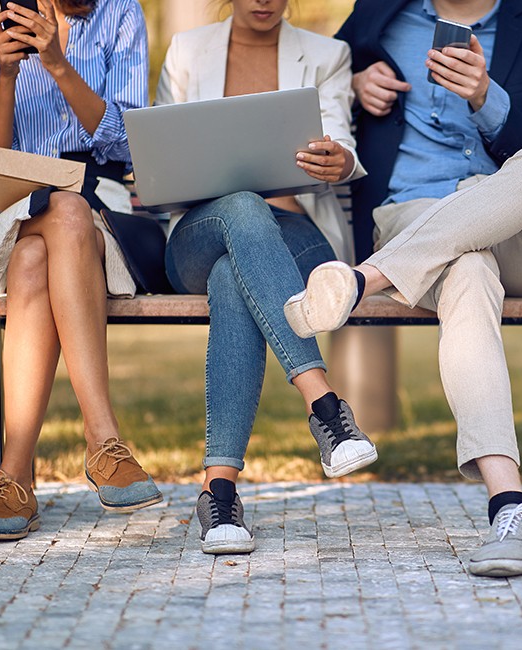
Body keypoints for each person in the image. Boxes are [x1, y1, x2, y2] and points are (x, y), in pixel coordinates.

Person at [282, 0, 522, 577]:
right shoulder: (379, 14)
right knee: (467, 268)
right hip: (414, 216)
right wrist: (352, 83)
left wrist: (485, 98)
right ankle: (510, 505)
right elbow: (318, 85)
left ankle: (361, 280)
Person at [155, 0, 376, 555]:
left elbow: (343, 142)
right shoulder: (187, 51)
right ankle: (325, 406)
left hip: (296, 234)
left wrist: (339, 162)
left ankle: (219, 492)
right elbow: (158, 158)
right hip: (200, 234)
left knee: (237, 277)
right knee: (243, 208)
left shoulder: (328, 55)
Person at [0, 0, 163, 541]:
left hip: (99, 205)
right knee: (50, 218)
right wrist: (7, 76)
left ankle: (14, 479)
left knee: (39, 252)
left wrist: (56, 63)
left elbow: (126, 142)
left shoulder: (120, 16)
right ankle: (104, 443)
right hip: (15, 204)